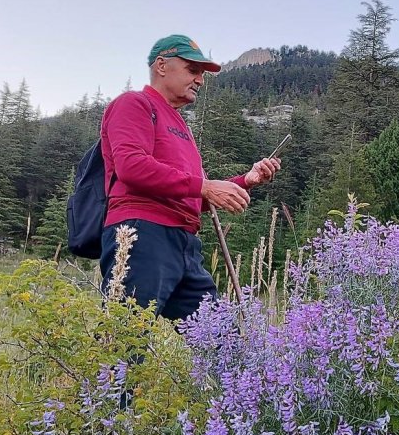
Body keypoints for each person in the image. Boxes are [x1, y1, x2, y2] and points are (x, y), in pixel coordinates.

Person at [99, 34, 280, 320]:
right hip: (141, 234)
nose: (200, 80)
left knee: (221, 339)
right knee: (125, 339)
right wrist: (205, 186)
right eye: (192, 70)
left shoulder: (181, 126)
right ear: (161, 65)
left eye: (202, 74)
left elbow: (194, 195)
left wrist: (247, 180)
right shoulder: (134, 103)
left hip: (184, 244)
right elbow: (131, 167)